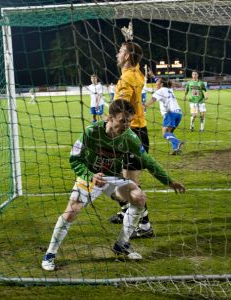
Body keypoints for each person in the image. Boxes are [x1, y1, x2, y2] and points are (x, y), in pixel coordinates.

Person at [41, 100, 185, 271]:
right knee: (72, 211)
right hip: (90, 177)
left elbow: (147, 160)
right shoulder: (91, 132)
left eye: (130, 121)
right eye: (123, 120)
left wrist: (169, 181)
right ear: (110, 118)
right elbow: (75, 159)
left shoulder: (130, 137)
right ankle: (50, 254)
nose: (127, 125)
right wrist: (90, 176)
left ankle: (122, 244)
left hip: (113, 178)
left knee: (139, 198)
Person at [110, 32, 153, 238]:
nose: (117, 54)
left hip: (130, 133)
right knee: (120, 178)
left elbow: (123, 108)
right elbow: (136, 69)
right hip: (137, 131)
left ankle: (144, 226)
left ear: (127, 57)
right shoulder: (137, 74)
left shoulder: (127, 79)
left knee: (129, 184)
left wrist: (111, 126)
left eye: (121, 51)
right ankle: (125, 211)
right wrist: (130, 42)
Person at [145, 77, 184, 155]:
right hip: (179, 113)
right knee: (170, 133)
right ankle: (176, 149)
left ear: (161, 84)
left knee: (165, 133)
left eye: (157, 82)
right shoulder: (169, 89)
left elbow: (153, 99)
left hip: (170, 113)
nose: (156, 83)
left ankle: (178, 142)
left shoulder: (160, 90)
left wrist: (144, 106)